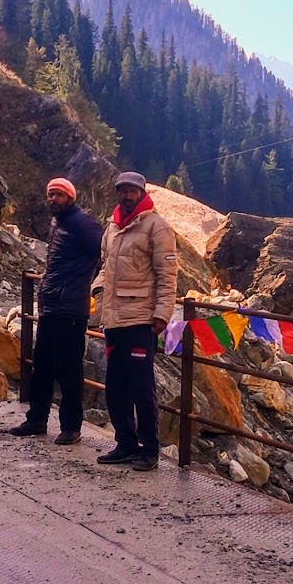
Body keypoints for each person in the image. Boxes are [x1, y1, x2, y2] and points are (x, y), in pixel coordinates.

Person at [90, 171, 178, 471]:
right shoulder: (112, 228)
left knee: (142, 387)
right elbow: (105, 267)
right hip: (114, 319)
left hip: (141, 320)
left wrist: (162, 313)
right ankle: (125, 443)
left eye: (132, 191)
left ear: (142, 193)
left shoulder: (158, 227)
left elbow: (167, 276)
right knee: (115, 385)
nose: (127, 195)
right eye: (122, 190)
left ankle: (150, 450)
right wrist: (96, 291)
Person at [9, 177, 103, 445]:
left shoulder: (82, 223)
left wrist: (89, 281)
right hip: (51, 305)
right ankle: (37, 419)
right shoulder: (58, 222)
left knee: (69, 369)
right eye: (50, 194)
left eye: (59, 195)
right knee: (43, 366)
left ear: (70, 197)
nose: (53, 199)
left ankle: (71, 427)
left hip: (71, 308)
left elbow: (103, 252)